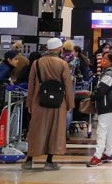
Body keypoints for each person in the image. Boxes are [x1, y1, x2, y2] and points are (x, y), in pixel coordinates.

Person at [23, 38, 75, 171]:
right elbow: (68, 85)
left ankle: (29, 160)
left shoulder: (37, 63)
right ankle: (49, 162)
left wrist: (29, 103)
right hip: (57, 102)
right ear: (58, 49)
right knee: (55, 130)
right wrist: (70, 103)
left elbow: (32, 84)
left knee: (36, 130)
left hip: (39, 100)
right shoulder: (63, 64)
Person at [86, 52, 112, 167]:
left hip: (106, 104)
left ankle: (97, 156)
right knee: (109, 130)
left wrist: (92, 96)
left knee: (101, 131)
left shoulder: (109, 74)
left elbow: (101, 90)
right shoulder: (111, 72)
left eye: (105, 59)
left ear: (110, 61)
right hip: (110, 104)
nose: (102, 60)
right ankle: (109, 153)